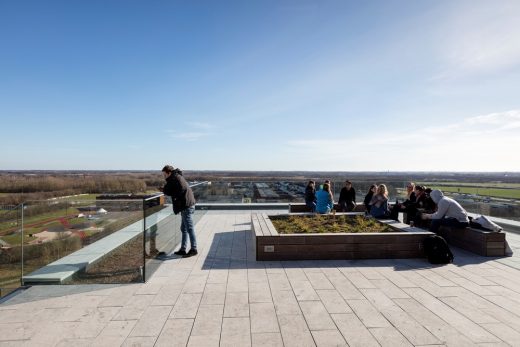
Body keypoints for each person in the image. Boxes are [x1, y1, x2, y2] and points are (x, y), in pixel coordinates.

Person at [161, 164, 198, 257]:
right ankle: (183, 249)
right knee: (184, 229)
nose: (164, 177)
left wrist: (165, 188)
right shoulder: (177, 177)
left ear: (169, 173)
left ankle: (194, 249)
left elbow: (170, 191)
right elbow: (173, 190)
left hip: (186, 206)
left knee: (189, 228)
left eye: (165, 175)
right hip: (187, 205)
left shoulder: (175, 179)